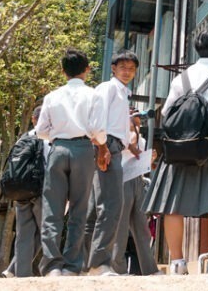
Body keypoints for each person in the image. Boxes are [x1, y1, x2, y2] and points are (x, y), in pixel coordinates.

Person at [144, 29, 208, 275]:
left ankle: (177, 262)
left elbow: (167, 111)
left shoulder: (182, 78)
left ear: (197, 49)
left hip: (180, 142)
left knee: (173, 204)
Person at [36, 49, 107, 277]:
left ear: (62, 71)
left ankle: (52, 266)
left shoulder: (52, 96)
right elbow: (98, 131)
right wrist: (101, 144)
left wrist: (57, 137)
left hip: (57, 149)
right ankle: (72, 266)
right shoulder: (93, 94)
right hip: (83, 150)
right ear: (87, 69)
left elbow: (41, 132)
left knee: (52, 209)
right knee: (79, 210)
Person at [86, 50, 138, 276]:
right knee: (111, 205)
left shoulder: (123, 93)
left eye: (131, 69)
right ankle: (99, 263)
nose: (127, 72)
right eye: (123, 67)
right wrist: (103, 148)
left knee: (95, 210)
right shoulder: (108, 88)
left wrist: (130, 146)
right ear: (113, 69)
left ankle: (87, 264)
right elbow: (96, 121)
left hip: (114, 147)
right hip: (106, 148)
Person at [2, 105, 50, 278]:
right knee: (46, 231)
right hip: (41, 190)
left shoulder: (23, 138)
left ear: (33, 119)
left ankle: (19, 273)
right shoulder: (49, 138)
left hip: (20, 191)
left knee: (24, 234)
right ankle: (50, 270)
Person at [112, 112, 160, 275]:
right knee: (121, 227)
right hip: (123, 179)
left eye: (139, 123)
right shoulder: (119, 135)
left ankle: (149, 268)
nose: (138, 125)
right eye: (134, 121)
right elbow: (129, 145)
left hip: (137, 179)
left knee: (142, 228)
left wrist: (150, 160)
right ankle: (117, 268)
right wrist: (131, 130)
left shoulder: (143, 139)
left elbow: (139, 159)